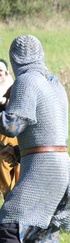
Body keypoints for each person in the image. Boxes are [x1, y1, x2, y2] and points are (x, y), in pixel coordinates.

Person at [0, 35, 70, 243]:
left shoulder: (27, 80)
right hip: (60, 165)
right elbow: (47, 130)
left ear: (15, 59)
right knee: (43, 236)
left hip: (43, 166)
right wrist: (20, 152)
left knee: (9, 223)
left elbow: (11, 126)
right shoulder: (54, 83)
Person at [0, 58, 20, 198]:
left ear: (6, 72)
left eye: (0, 71)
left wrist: (4, 101)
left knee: (11, 162)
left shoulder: (12, 86)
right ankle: (8, 194)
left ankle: (14, 196)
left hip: (10, 133)